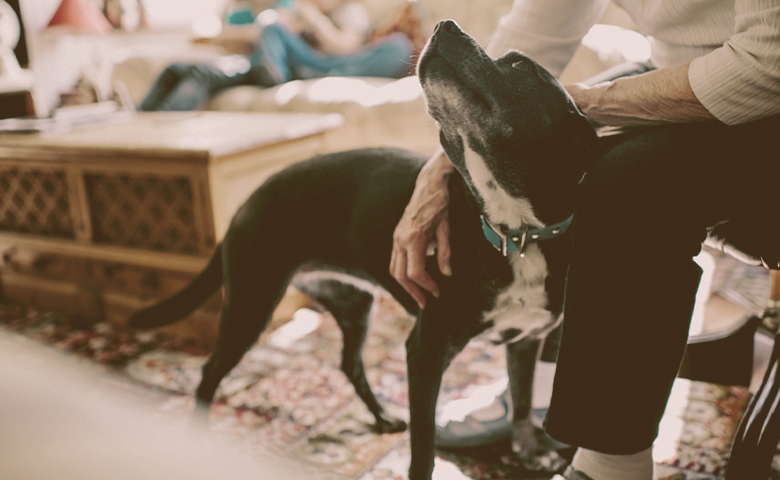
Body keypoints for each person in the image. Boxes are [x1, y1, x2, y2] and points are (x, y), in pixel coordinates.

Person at [390, 1, 780, 479]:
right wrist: (441, 167)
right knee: (543, 156)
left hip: (769, 91)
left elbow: (767, 65)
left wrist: (580, 107)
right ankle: (539, 389)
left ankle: (610, 464)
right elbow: (535, 33)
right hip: (684, 66)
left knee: (629, 182)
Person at [138, 0, 414, 112]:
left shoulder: (349, 10)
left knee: (399, 46)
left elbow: (343, 47)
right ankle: (138, 118)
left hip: (330, 64)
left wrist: (312, 18)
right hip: (291, 66)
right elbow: (268, 34)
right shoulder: (288, 11)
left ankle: (275, 70)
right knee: (182, 68)